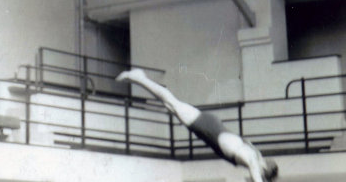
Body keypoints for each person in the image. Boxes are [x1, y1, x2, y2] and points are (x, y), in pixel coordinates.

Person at [116, 69, 279, 182]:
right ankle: (138, 77)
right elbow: (256, 175)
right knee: (171, 102)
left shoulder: (255, 154)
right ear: (264, 171)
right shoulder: (253, 160)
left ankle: (140, 78)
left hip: (209, 129)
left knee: (170, 105)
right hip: (208, 128)